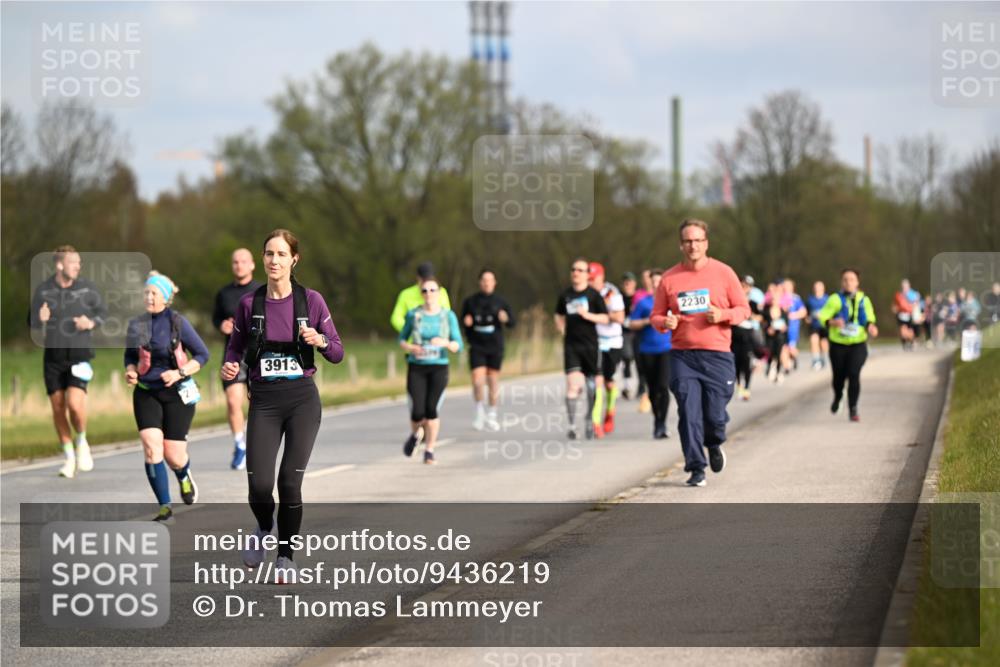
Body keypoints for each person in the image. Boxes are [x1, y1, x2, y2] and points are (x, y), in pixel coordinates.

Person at [222, 229, 344, 580]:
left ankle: (285, 556)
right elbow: (234, 349)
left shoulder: (312, 301)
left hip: (302, 399)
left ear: (294, 259)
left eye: (280, 254)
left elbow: (337, 352)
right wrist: (230, 367)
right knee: (260, 486)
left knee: (289, 482)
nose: (273, 261)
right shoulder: (249, 305)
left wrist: (320, 340)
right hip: (264, 402)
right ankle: (263, 528)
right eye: (268, 254)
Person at [651, 219, 750, 487]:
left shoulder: (724, 273)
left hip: (717, 355)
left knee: (714, 417)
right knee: (688, 412)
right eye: (687, 241)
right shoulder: (670, 279)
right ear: (680, 244)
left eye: (697, 240)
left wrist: (722, 315)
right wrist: (665, 323)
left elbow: (744, 309)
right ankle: (696, 468)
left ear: (706, 243)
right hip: (683, 356)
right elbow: (656, 315)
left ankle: (714, 441)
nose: (692, 245)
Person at [125, 272, 210, 522]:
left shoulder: (177, 323)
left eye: (154, 293)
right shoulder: (136, 325)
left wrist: (179, 372)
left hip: (177, 393)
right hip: (146, 392)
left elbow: (203, 355)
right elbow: (130, 357)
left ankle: (183, 475)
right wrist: (130, 372)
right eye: (146, 293)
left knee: (173, 454)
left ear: (165, 297)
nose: (149, 297)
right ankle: (165, 507)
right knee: (152, 449)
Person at [29, 245, 107, 479]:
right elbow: (32, 321)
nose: (78, 266)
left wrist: (91, 323)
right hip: (52, 359)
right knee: (57, 408)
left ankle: (81, 440)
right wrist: (39, 318)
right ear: (60, 264)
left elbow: (103, 313)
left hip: (79, 356)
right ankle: (69, 458)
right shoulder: (44, 290)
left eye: (79, 263)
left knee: (74, 404)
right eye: (73, 262)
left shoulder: (87, 289)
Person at [400, 277, 463, 464]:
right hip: (417, 366)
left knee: (431, 410)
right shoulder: (414, 315)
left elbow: (458, 345)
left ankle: (429, 450)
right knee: (417, 411)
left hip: (438, 366)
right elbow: (402, 339)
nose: (428, 294)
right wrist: (411, 348)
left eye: (432, 290)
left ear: (439, 293)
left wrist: (444, 342)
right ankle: (416, 434)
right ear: (421, 294)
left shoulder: (447, 316)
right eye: (425, 291)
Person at [212, 248, 262, 470]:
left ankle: (257, 445)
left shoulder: (261, 291)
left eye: (243, 261)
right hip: (233, 353)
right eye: (235, 262)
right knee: (233, 401)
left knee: (256, 404)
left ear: (252, 264)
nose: (239, 265)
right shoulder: (223, 294)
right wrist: (221, 325)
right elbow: (217, 319)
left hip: (257, 354)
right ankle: (239, 445)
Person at [555, 258, 610, 440]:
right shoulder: (565, 295)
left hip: (591, 346)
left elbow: (605, 318)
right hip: (572, 346)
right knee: (573, 386)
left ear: (587, 274)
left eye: (579, 270)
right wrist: (561, 327)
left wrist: (588, 315)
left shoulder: (594, 295)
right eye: (573, 269)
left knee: (592, 387)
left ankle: (589, 419)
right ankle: (572, 425)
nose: (575, 273)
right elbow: (558, 314)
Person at [817, 268, 878, 422]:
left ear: (857, 282)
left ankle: (853, 408)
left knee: (854, 374)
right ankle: (838, 396)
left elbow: (870, 317)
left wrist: (871, 327)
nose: (848, 282)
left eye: (851, 279)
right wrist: (832, 322)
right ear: (841, 282)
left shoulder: (864, 300)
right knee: (838, 378)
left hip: (858, 344)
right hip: (838, 344)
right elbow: (822, 316)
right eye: (845, 279)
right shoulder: (835, 299)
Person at [460, 268, 514, 432]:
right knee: (477, 380)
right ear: (480, 282)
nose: (487, 283)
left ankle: (492, 414)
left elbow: (512, 323)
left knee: (492, 381)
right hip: (477, 345)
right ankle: (479, 412)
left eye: (490, 280)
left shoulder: (501, 302)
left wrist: (506, 319)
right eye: (484, 280)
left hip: (495, 345)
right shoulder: (470, 302)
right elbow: (462, 323)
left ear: (494, 283)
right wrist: (466, 322)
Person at [628, 268, 672, 438]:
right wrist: (648, 320)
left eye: (658, 281)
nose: (655, 284)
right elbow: (632, 323)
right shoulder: (643, 303)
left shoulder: (671, 302)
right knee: (652, 389)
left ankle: (662, 423)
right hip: (646, 350)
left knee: (663, 386)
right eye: (652, 281)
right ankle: (657, 419)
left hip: (666, 348)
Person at [588, 262, 627, 437]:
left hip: (612, 343)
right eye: (588, 279)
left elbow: (620, 317)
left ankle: (610, 412)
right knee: (597, 382)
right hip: (594, 343)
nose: (590, 282)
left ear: (601, 277)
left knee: (609, 383)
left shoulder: (612, 293)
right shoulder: (585, 294)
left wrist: (599, 315)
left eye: (593, 278)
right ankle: (595, 422)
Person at [390, 262, 452, 332]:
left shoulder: (442, 292)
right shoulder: (406, 294)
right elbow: (396, 318)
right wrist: (410, 329)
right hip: (413, 341)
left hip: (437, 339)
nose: (426, 283)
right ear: (418, 278)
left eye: (430, 279)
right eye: (424, 280)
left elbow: (447, 315)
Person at [731, 276, 762, 400]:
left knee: (747, 362)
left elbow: (762, 317)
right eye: (743, 285)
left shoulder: (753, 303)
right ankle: (739, 386)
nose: (745, 288)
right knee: (736, 362)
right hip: (735, 333)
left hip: (748, 335)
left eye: (747, 286)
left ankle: (747, 388)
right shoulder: (733, 301)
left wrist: (751, 316)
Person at [763, 284, 790, 384]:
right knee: (770, 353)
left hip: (780, 336)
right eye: (773, 299)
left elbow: (787, 324)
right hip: (770, 336)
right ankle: (770, 367)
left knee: (778, 354)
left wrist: (783, 327)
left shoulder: (783, 311)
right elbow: (764, 323)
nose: (775, 301)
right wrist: (768, 329)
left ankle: (778, 372)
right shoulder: (766, 311)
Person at [619, 271, 640, 401]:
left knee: (639, 360)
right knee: (626, 358)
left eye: (630, 282)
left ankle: (641, 387)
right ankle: (626, 387)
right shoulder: (619, 297)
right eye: (625, 282)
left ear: (634, 284)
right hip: (624, 332)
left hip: (638, 331)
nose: (627, 284)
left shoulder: (638, 298)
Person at [782, 279, 807, 371]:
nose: (786, 287)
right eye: (784, 285)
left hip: (793, 327)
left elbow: (804, 312)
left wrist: (794, 315)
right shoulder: (780, 297)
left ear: (792, 287)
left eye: (788, 285)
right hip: (782, 327)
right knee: (784, 347)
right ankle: (786, 367)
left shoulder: (795, 298)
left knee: (791, 347)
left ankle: (794, 358)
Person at [805, 281, 830, 370]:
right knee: (813, 340)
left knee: (824, 342)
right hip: (814, 325)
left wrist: (824, 316)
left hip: (824, 325)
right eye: (815, 288)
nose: (817, 289)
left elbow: (831, 312)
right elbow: (806, 312)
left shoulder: (827, 299)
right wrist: (807, 318)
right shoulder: (810, 299)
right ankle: (816, 360)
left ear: (823, 288)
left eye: (819, 288)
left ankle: (825, 359)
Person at [892, 279, 921, 351]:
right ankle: (904, 343)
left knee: (910, 331)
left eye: (905, 286)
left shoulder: (913, 294)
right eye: (903, 287)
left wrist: (913, 309)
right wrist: (895, 309)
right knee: (903, 330)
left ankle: (912, 341)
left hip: (910, 315)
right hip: (901, 315)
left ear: (909, 286)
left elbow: (916, 304)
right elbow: (894, 305)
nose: (904, 288)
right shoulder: (898, 295)